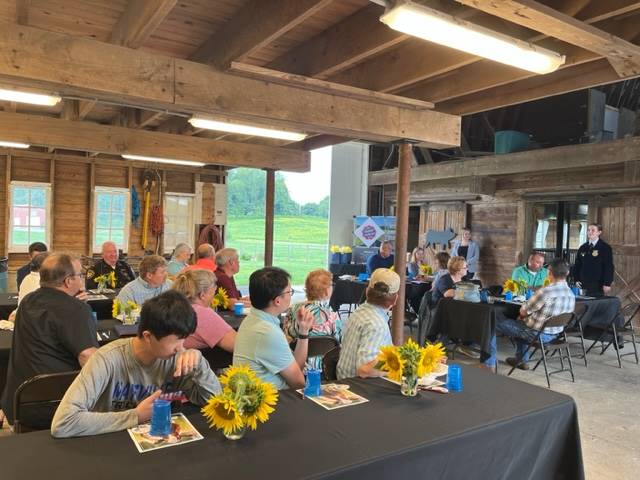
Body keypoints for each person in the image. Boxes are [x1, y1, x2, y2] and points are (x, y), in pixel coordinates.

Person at [51, 290, 222, 438]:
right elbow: (63, 423)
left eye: (184, 340)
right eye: (177, 341)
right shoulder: (107, 359)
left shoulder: (176, 359)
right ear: (148, 336)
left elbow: (215, 403)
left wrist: (200, 366)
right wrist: (135, 416)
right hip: (107, 445)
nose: (181, 348)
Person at [1, 253, 98, 427]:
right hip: (56, 404)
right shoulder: (76, 310)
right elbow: (89, 358)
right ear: (68, 281)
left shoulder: (28, 301)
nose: (82, 278)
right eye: (80, 275)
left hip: (19, 400)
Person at [233, 267, 314, 390]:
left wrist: (303, 330)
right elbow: (298, 383)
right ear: (277, 301)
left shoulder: (252, 320)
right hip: (274, 401)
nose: (291, 296)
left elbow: (295, 369)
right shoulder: (267, 332)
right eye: (289, 292)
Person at [490, 258, 575, 370]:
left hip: (536, 334)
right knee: (523, 322)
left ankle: (488, 361)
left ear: (549, 272)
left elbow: (523, 311)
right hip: (556, 334)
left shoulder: (545, 291)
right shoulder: (570, 293)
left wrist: (522, 314)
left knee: (491, 318)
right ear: (567, 273)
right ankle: (521, 360)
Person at [336, 268, 398, 380]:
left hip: (344, 379)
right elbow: (364, 370)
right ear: (395, 300)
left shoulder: (359, 312)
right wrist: (396, 369)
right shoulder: (377, 325)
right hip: (357, 387)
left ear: (367, 291)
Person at [284, 269, 342, 370]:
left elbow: (286, 335)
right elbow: (339, 342)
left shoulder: (293, 309)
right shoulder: (332, 316)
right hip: (325, 367)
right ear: (327, 291)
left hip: (293, 364)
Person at [172, 269, 236, 352]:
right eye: (213, 291)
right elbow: (238, 346)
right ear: (202, 295)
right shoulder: (201, 314)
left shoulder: (175, 308)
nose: (214, 294)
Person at [572, 223, 614, 296]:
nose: (590, 232)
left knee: (596, 305)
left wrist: (607, 283)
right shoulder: (583, 247)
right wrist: (576, 279)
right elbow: (577, 265)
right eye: (588, 230)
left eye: (593, 230)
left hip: (597, 284)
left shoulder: (605, 248)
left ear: (599, 232)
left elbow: (609, 266)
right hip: (583, 284)